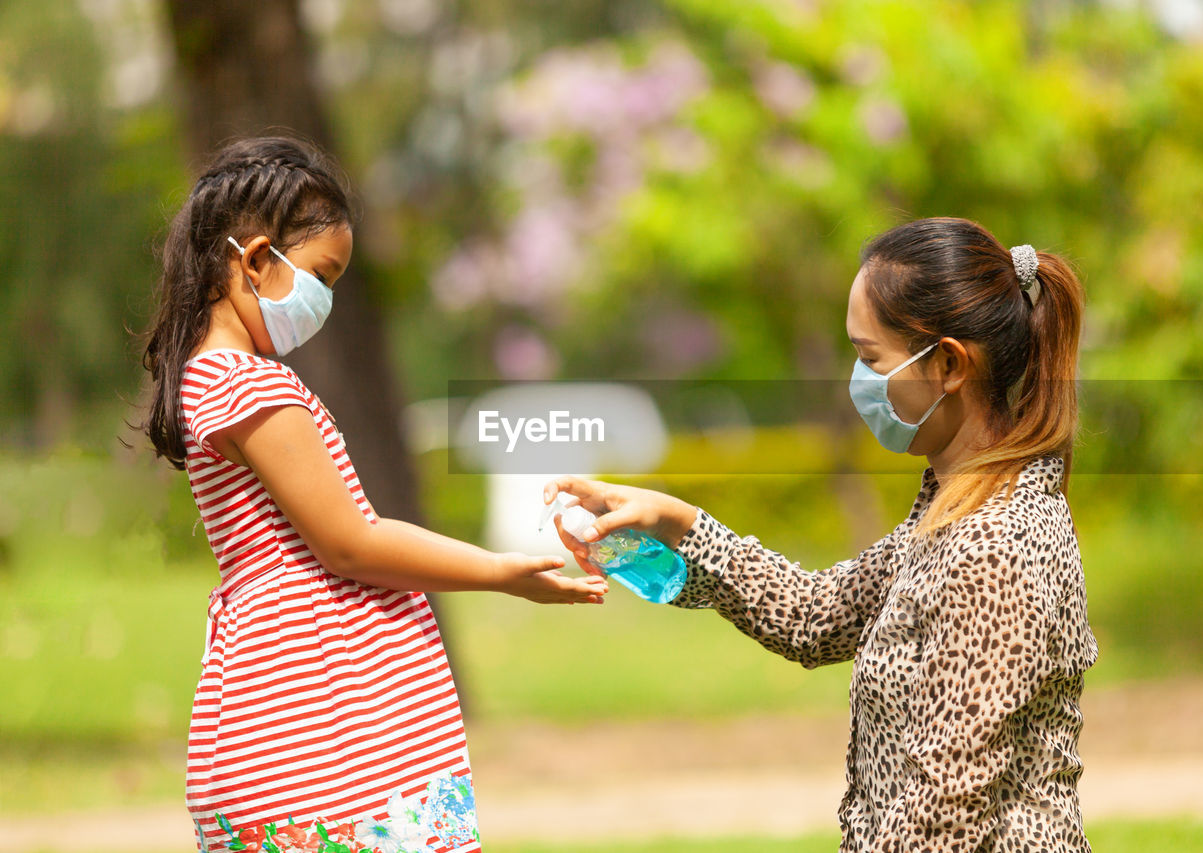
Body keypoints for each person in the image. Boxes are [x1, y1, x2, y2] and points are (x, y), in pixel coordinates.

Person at [546, 217, 1097, 853]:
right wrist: (681, 525)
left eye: (869, 359)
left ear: (947, 363)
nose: (857, 380)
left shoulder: (992, 547)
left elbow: (945, 810)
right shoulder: (954, 514)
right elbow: (816, 616)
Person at [140, 135, 608, 853]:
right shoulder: (251, 385)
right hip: (329, 738)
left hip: (276, 718)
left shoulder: (207, 381)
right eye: (322, 277)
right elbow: (352, 541)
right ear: (257, 259)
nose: (324, 302)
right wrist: (502, 572)